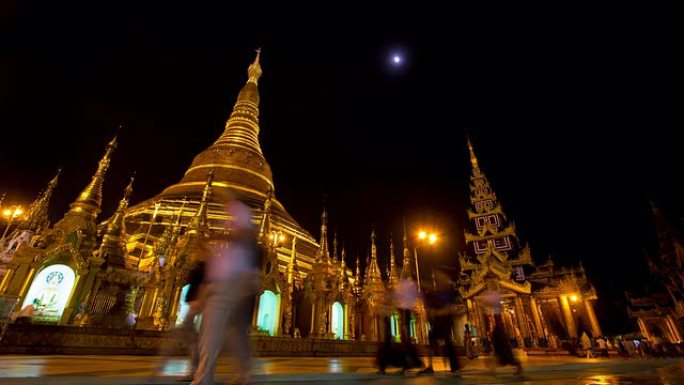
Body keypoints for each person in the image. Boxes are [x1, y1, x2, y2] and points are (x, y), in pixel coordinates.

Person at [192, 193, 261, 385]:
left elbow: (247, 237)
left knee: (228, 334)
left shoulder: (243, 224)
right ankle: (205, 378)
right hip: (218, 285)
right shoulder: (231, 226)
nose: (228, 207)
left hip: (234, 286)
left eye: (231, 204)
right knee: (212, 335)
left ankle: (241, 373)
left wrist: (216, 235)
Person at [418, 268, 460, 375]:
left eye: (436, 275)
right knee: (432, 340)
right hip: (437, 321)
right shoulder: (436, 290)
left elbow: (451, 308)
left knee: (447, 341)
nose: (434, 278)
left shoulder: (449, 291)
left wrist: (437, 312)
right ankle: (430, 367)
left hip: (445, 320)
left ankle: (455, 368)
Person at [179, 260, 206, 382]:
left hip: (198, 304)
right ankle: (194, 371)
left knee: (196, 340)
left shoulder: (205, 266)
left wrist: (198, 301)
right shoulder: (199, 264)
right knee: (193, 339)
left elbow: (202, 285)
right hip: (193, 303)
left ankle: (195, 371)